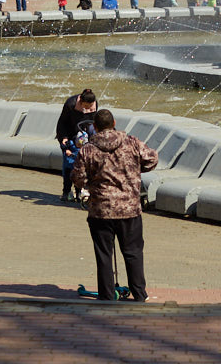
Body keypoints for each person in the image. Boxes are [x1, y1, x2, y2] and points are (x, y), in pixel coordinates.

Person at [71, 108, 158, 302]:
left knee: (104, 254)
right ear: (114, 123)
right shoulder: (132, 143)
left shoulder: (87, 149)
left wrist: (89, 183)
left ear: (94, 127)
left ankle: (107, 295)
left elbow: (77, 177)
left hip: (101, 209)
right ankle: (139, 293)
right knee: (133, 252)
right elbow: (152, 159)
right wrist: (136, 168)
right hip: (129, 209)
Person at [56, 88, 99, 201]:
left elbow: (92, 124)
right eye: (85, 106)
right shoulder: (71, 104)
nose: (87, 109)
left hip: (83, 139)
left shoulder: (94, 105)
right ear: (80, 102)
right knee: (69, 165)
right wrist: (63, 138)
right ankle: (66, 191)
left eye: (90, 107)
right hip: (69, 137)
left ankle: (79, 191)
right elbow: (62, 123)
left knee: (82, 167)